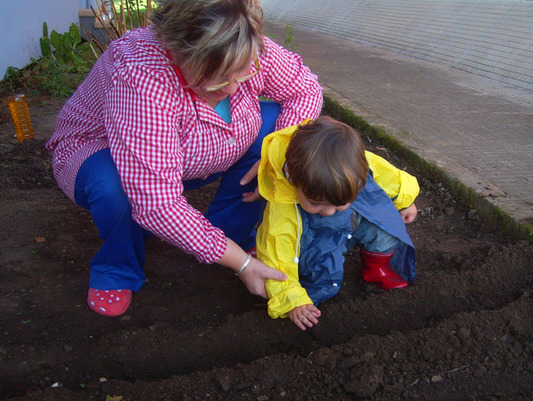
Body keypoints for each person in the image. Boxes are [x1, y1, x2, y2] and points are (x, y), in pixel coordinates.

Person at [46, 0, 323, 317]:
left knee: (276, 129)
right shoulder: (142, 77)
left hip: (198, 151)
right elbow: (156, 203)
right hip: (103, 154)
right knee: (116, 187)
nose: (234, 88)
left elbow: (305, 89)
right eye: (218, 80)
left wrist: (276, 158)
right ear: (178, 53)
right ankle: (117, 267)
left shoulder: (239, 40)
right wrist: (244, 264)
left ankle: (230, 235)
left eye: (242, 74)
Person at [256, 116, 419, 330]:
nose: (328, 211)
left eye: (339, 203)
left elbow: (384, 174)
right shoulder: (283, 206)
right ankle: (313, 298)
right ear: (292, 177)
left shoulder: (351, 161)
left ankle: (377, 270)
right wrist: (292, 298)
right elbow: (276, 254)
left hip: (351, 220)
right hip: (314, 234)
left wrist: (405, 199)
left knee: (387, 228)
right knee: (323, 268)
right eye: (316, 204)